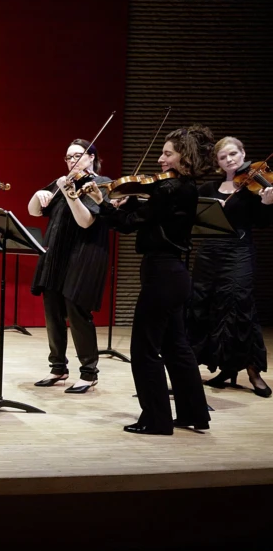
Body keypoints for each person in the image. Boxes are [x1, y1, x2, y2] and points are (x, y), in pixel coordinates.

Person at [89, 125, 213, 434]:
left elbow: (131, 223)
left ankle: (156, 420)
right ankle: (192, 414)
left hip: (161, 275)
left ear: (184, 157)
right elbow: (151, 214)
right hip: (175, 275)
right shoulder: (186, 188)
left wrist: (102, 203)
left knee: (144, 351)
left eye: (167, 153)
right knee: (176, 348)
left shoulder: (168, 189)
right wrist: (128, 202)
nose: (160, 159)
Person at [186, 136, 273, 398]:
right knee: (206, 307)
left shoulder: (254, 186)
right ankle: (218, 369)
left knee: (239, 307)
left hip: (239, 252)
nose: (230, 160)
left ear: (243, 153)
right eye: (223, 157)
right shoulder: (208, 189)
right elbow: (194, 219)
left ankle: (252, 370)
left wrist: (268, 204)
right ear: (218, 162)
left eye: (234, 154)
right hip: (209, 255)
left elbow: (261, 223)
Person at [28, 140, 111, 394]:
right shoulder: (60, 181)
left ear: (91, 158)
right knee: (52, 310)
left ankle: (89, 372)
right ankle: (58, 367)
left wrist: (69, 193)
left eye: (77, 156)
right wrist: (37, 196)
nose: (71, 161)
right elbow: (33, 212)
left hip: (84, 255)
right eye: (67, 157)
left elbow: (86, 221)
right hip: (57, 254)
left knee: (76, 311)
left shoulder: (100, 183)